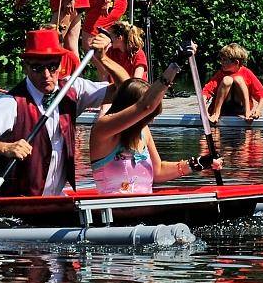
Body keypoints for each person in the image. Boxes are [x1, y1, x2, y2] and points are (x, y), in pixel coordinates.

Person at [0, 30, 117, 196]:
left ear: (60, 64)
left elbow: (128, 92)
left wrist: (104, 59)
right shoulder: (10, 103)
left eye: (52, 66)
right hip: (14, 202)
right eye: (37, 68)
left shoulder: (74, 90)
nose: (46, 75)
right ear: (26, 67)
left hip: (54, 199)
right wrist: (5, 147)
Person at [90, 45, 222, 194]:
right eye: (149, 116)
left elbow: (158, 171)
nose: (150, 121)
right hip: (113, 213)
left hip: (145, 210)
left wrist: (198, 163)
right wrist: (175, 65)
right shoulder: (102, 130)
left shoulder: (143, 131)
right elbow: (146, 106)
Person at [202, 43, 263, 124]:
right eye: (221, 59)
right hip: (224, 108)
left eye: (224, 60)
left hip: (240, 107)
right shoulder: (220, 73)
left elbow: (262, 95)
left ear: (236, 62)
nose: (221, 62)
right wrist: (204, 110)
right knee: (227, 80)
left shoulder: (246, 72)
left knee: (238, 79)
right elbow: (205, 92)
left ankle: (247, 112)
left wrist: (258, 110)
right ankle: (216, 113)